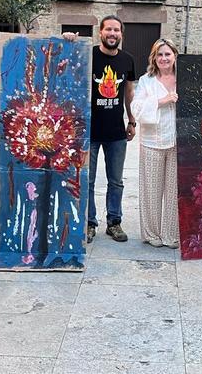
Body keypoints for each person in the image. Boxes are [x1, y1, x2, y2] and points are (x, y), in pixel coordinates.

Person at [65, 16, 136, 243]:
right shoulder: (88, 55)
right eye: (108, 29)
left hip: (116, 133)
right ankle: (90, 223)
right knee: (89, 180)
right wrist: (69, 41)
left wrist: (132, 121)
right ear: (101, 33)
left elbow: (129, 94)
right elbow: (65, 62)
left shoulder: (128, 60)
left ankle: (114, 223)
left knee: (116, 181)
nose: (112, 33)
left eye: (116, 30)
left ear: (121, 34)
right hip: (89, 132)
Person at [131, 39, 179, 249]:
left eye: (167, 54)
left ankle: (171, 234)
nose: (164, 58)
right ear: (154, 58)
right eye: (160, 55)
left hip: (177, 141)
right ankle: (152, 233)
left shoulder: (183, 79)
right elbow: (136, 107)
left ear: (174, 56)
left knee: (173, 192)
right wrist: (162, 101)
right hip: (152, 141)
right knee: (151, 190)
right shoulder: (146, 81)